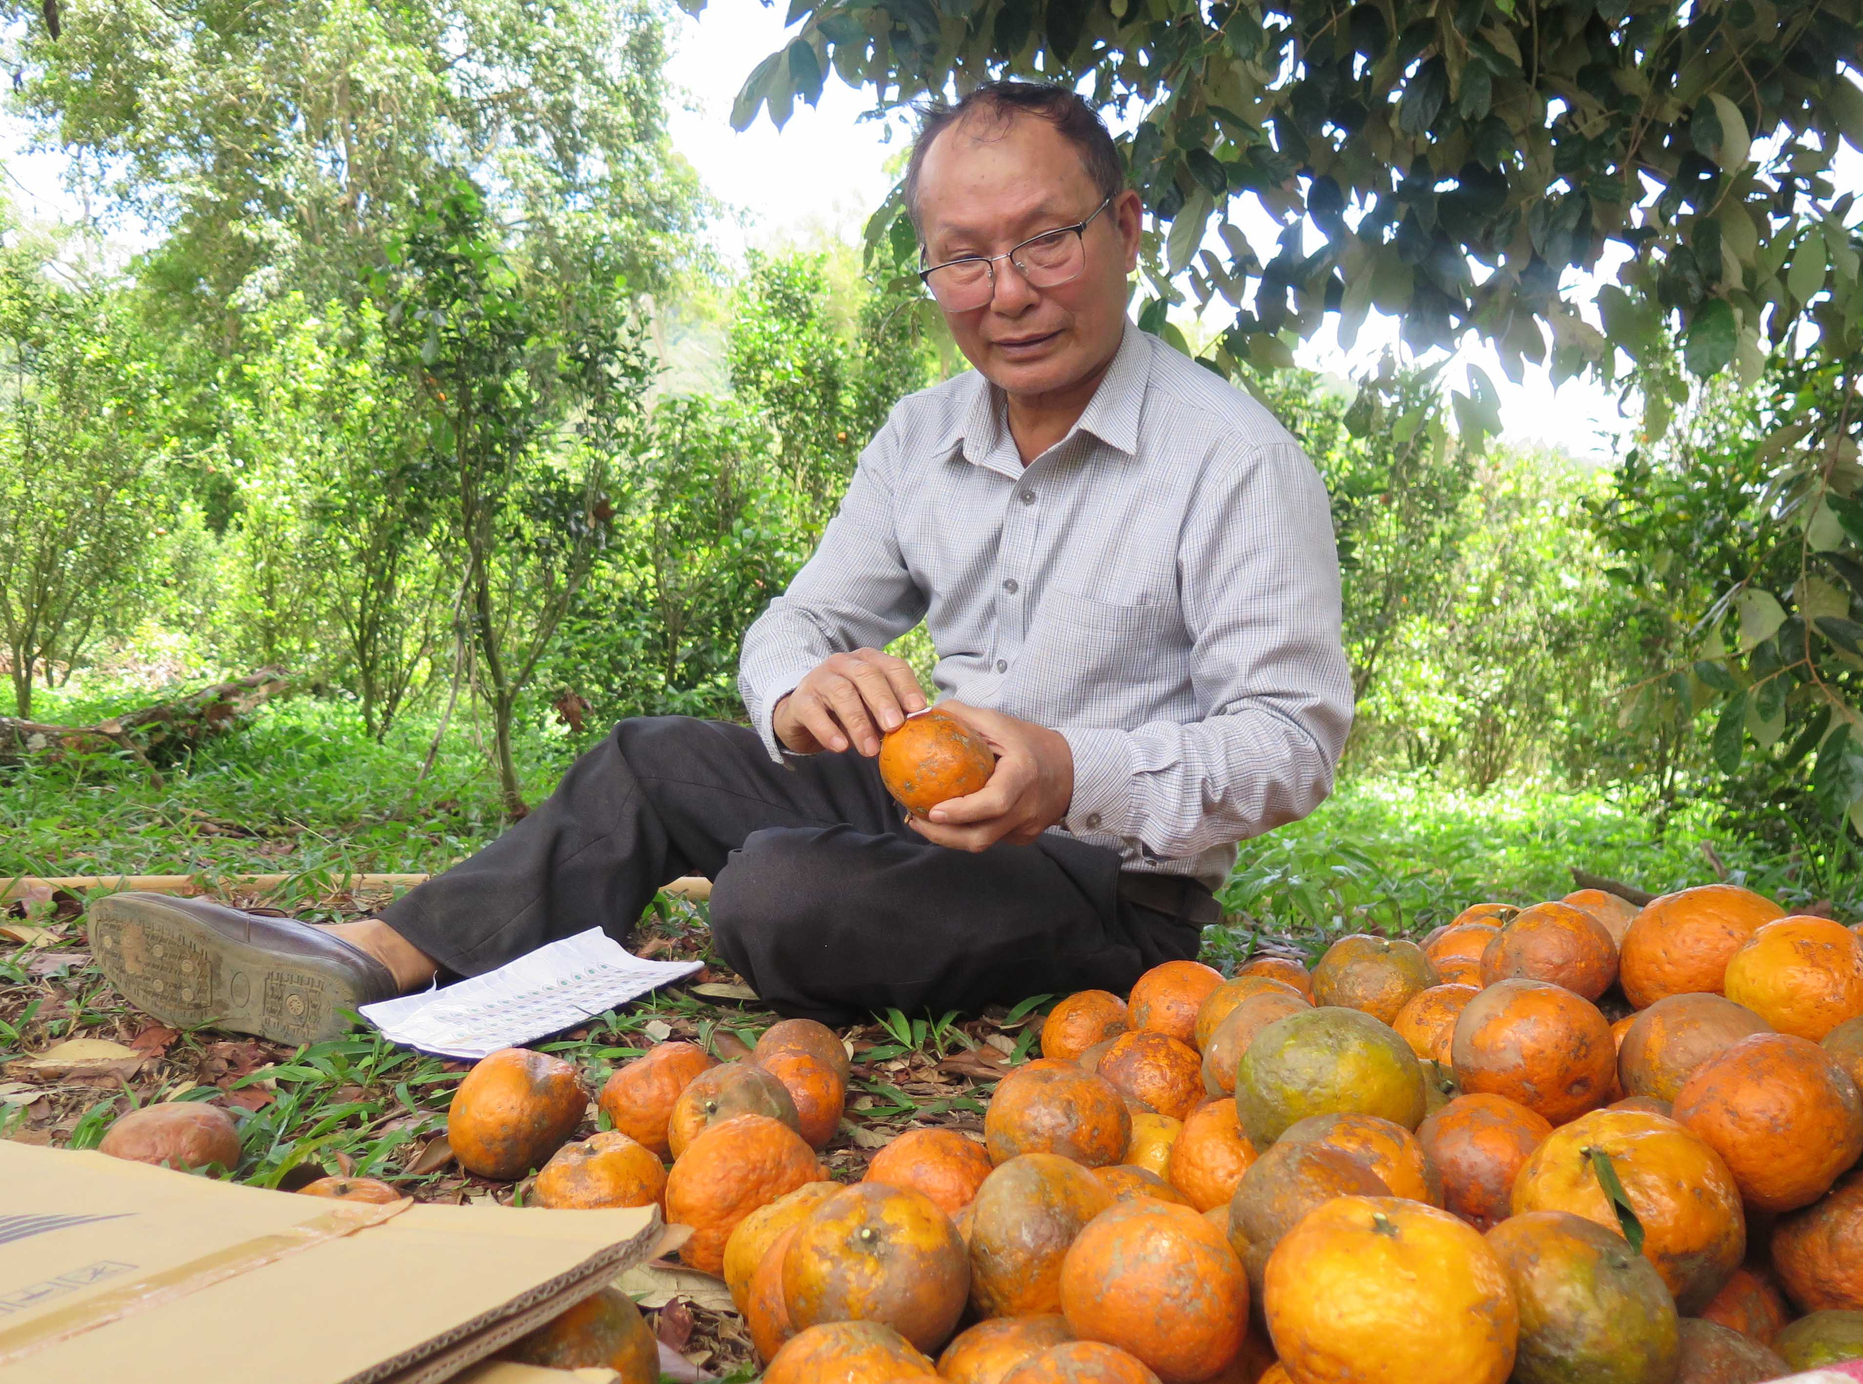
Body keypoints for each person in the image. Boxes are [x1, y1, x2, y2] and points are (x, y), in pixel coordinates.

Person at [90, 81, 1352, 1044]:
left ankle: (812, 904)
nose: (1007, 291)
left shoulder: (1233, 459)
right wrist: (800, 688)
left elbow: (1292, 738)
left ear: (1125, 229)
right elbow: (796, 618)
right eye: (963, 256)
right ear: (931, 268)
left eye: (1046, 242)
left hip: (1106, 878)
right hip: (919, 811)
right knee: (647, 758)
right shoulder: (923, 435)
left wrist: (1070, 767)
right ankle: (373, 954)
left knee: (779, 897)